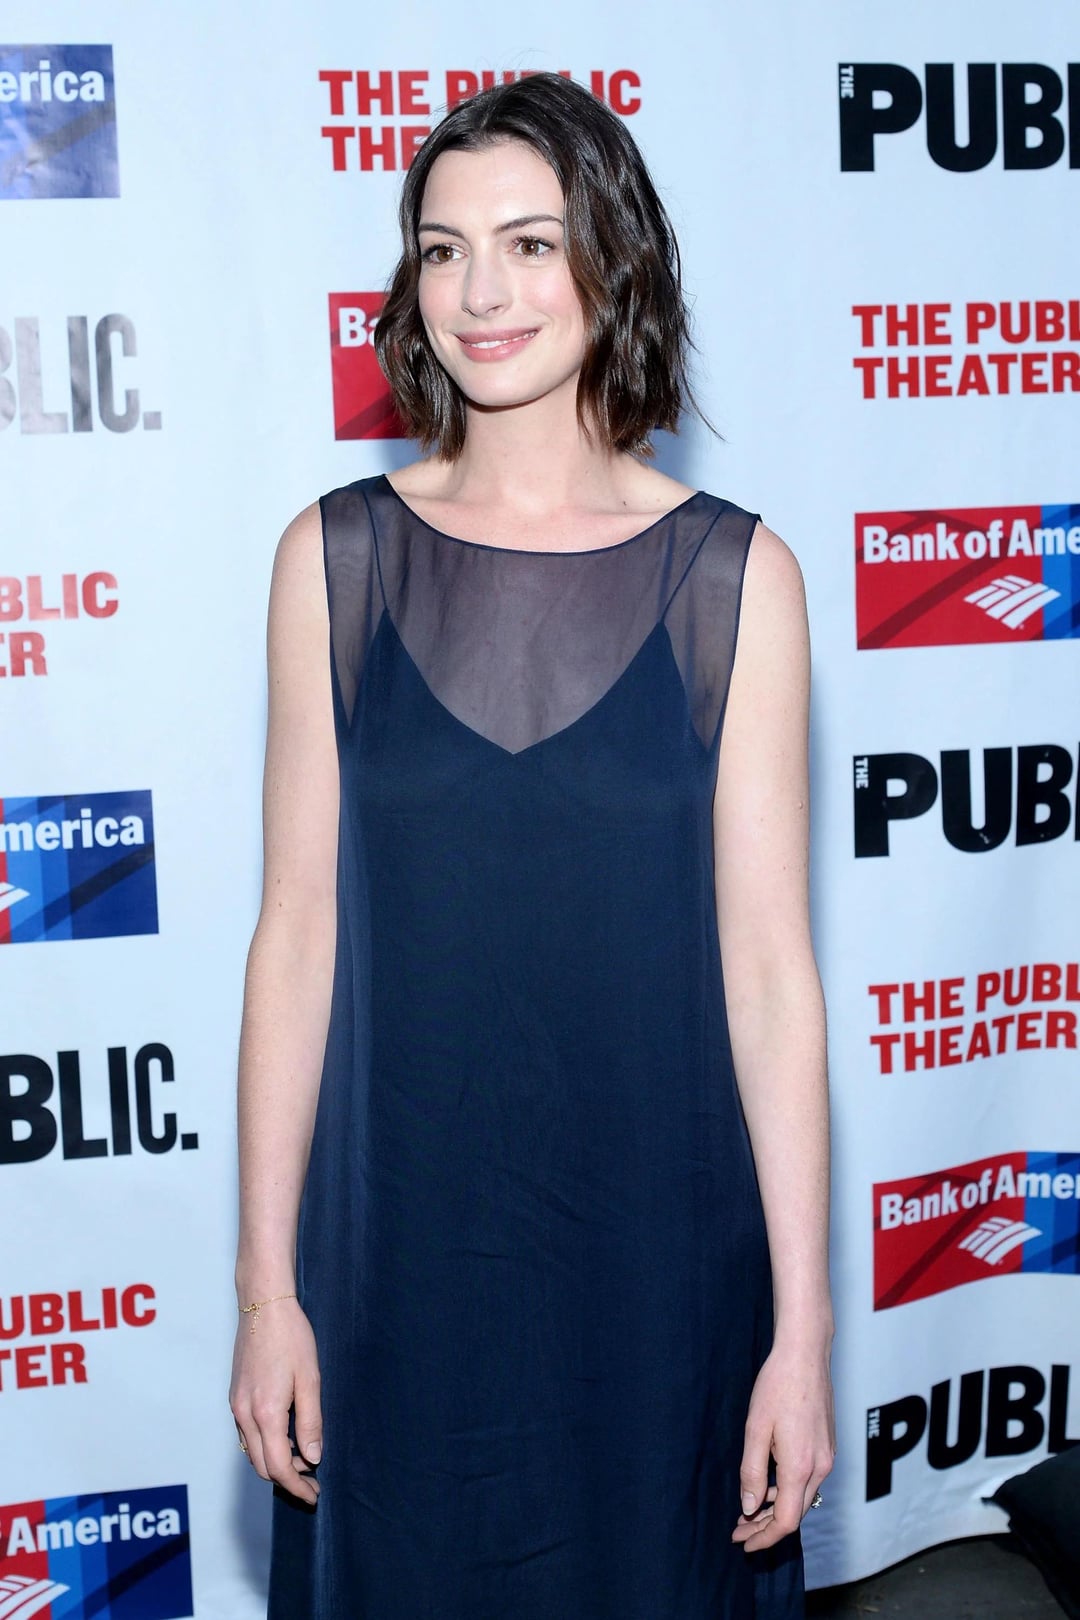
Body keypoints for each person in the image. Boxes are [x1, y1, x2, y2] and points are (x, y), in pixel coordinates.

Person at [230, 70, 834, 1620]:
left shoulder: (738, 583)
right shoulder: (333, 564)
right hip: (398, 1269)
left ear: (612, 262)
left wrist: (805, 1332)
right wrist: (266, 1291)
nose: (480, 292)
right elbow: (295, 941)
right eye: (442, 250)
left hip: (665, 1279)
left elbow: (772, 979)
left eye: (528, 243)